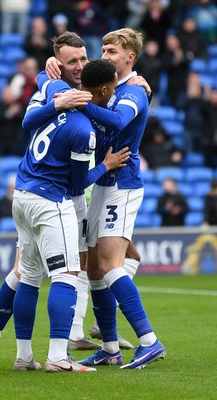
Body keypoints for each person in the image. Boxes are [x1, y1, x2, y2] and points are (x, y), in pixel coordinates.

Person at [0, 57, 131, 371]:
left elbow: (36, 102)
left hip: (21, 195)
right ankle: (58, 357)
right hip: (50, 201)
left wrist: (53, 79)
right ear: (103, 90)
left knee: (29, 276)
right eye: (113, 90)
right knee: (66, 276)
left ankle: (23, 357)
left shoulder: (56, 91)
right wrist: (105, 166)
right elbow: (76, 184)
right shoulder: (82, 130)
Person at [64, 27, 166, 369]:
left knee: (109, 265)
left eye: (111, 51)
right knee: (94, 269)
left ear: (130, 58)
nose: (104, 56)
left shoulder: (134, 92)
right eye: (103, 49)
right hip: (104, 182)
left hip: (122, 183)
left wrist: (85, 101)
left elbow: (120, 119)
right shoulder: (111, 86)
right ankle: (109, 347)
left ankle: (149, 341)